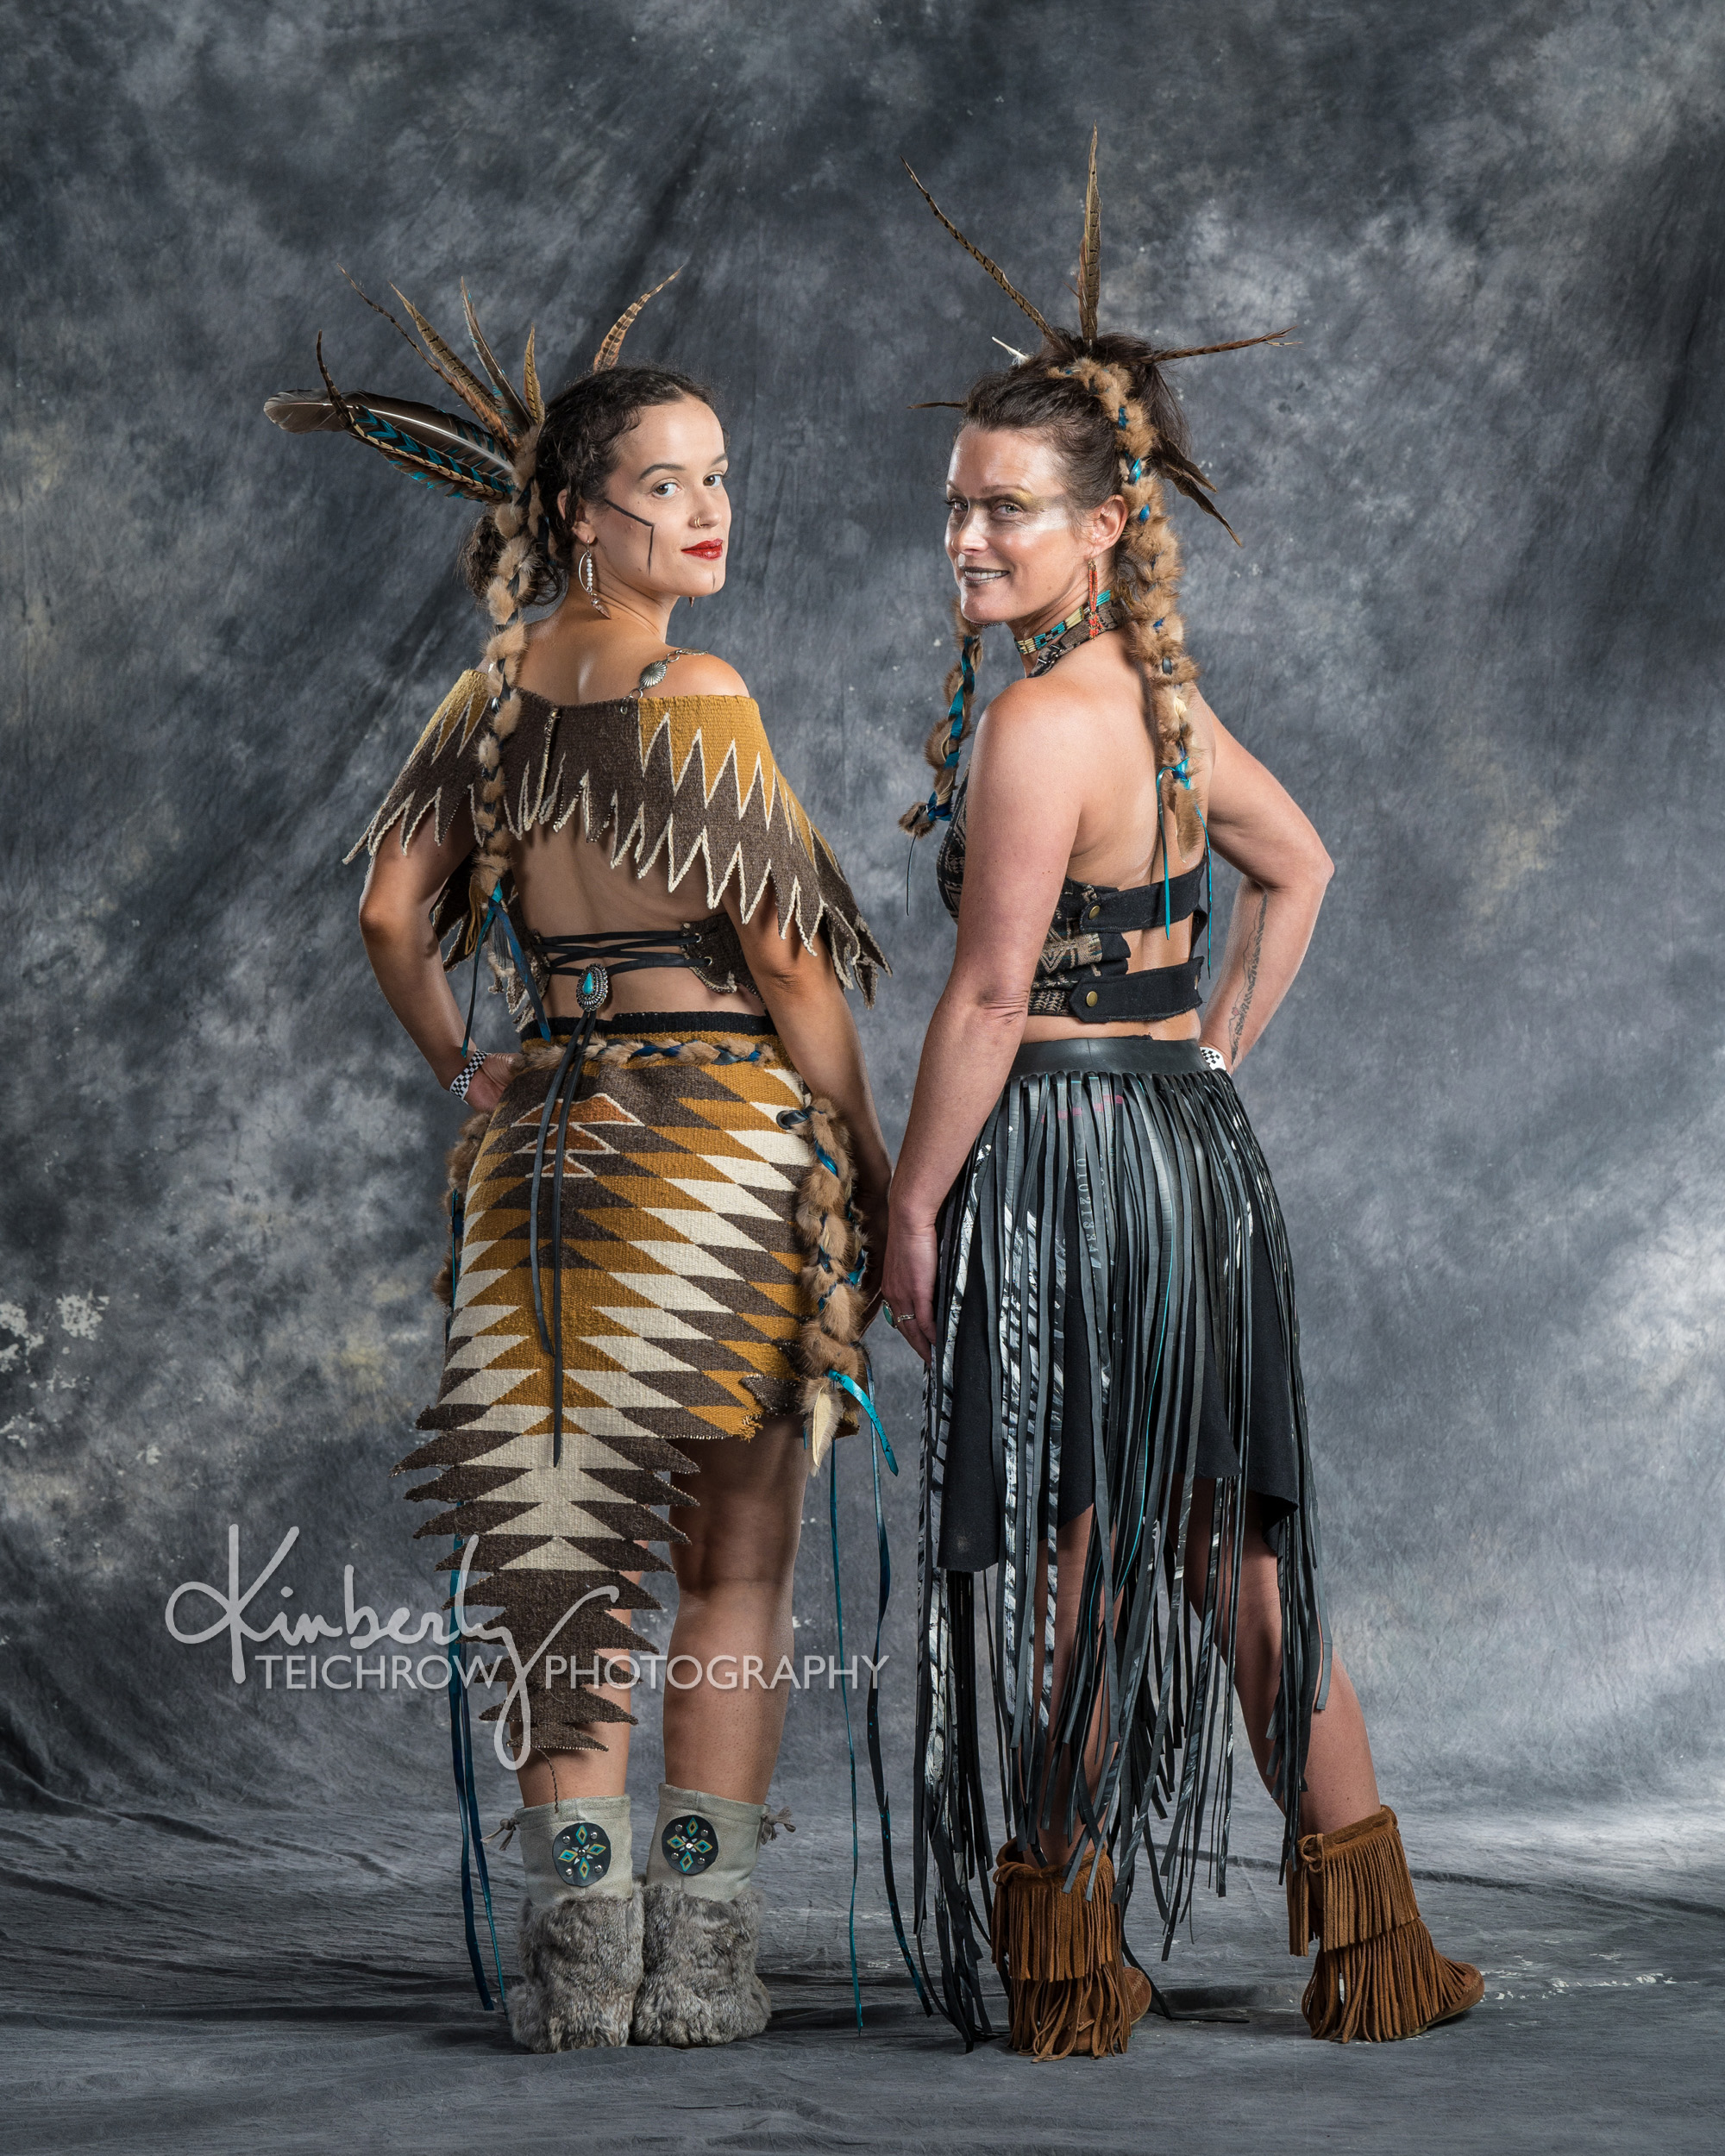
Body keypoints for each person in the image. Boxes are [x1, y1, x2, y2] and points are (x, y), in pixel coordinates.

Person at [881, 142, 1483, 2058]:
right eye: (957, 507)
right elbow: (1299, 866)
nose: (967, 540)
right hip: (1191, 1160)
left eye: (1004, 511)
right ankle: (1377, 1948)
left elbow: (990, 996)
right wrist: (1211, 1049)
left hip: (1069, 1154)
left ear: (1101, 519)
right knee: (1236, 1548)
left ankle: (1068, 1963)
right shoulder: (1154, 703)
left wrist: (910, 1206)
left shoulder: (1036, 725)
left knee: (1080, 1548)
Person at [267, 273, 890, 2051]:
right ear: (580, 513)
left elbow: (390, 916)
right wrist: (871, 1157)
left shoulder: (486, 700)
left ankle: (580, 1957)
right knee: (731, 1568)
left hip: (538, 1150)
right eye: (667, 484)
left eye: (719, 476)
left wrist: (465, 1062)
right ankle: (701, 1951)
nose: (708, 510)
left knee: (559, 1564)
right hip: (710, 1146)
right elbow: (788, 965)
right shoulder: (698, 691)